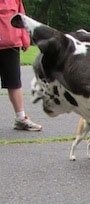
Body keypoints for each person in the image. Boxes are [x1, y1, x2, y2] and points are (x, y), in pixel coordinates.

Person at [0, 0, 42, 131]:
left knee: (14, 82)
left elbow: (21, 16)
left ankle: (21, 119)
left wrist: (24, 38)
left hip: (11, 43)